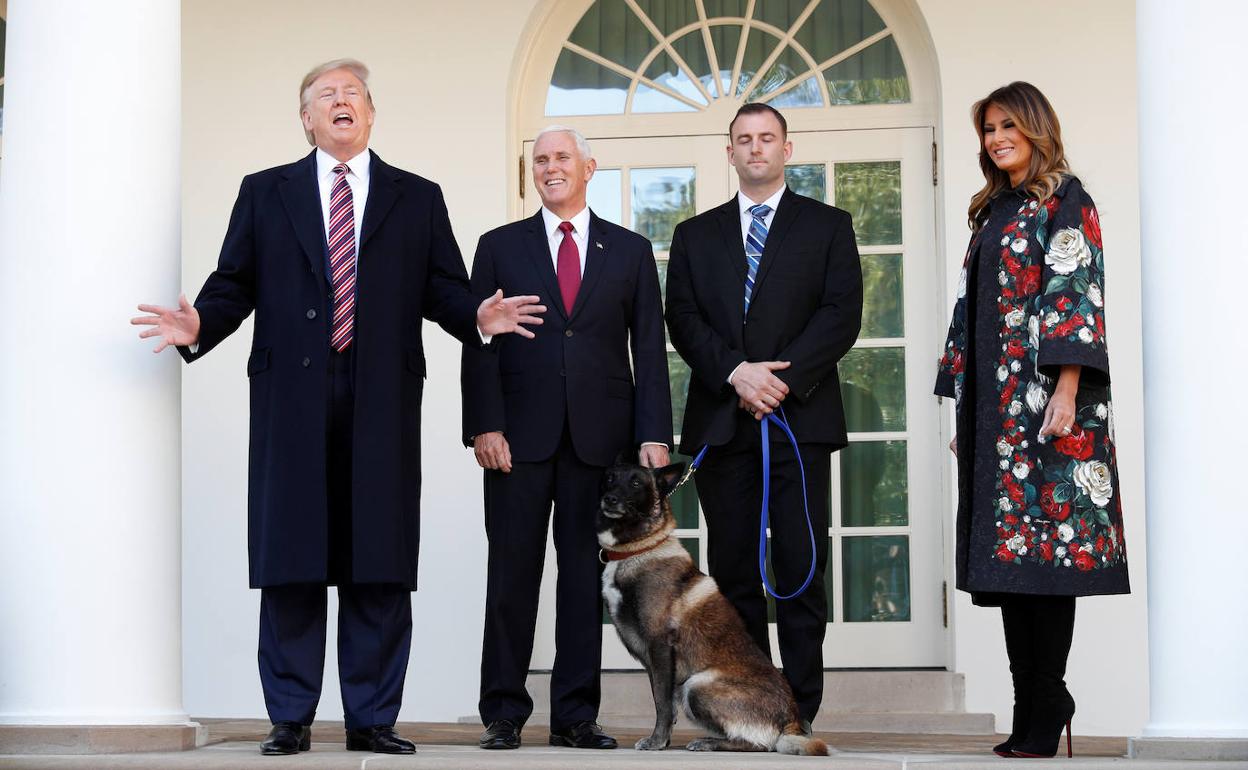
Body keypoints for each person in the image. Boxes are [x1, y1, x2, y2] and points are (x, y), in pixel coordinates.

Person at [131, 59, 544, 756]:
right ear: (307, 119)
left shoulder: (417, 197)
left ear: (371, 113)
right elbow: (233, 283)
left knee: (378, 557)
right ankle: (290, 717)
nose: (341, 101)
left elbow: (443, 288)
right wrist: (199, 324)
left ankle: (372, 719)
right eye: (326, 94)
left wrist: (477, 314)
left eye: (353, 93)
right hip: (291, 399)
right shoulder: (265, 191)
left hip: (382, 395)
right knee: (292, 556)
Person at [934, 81, 1130, 758]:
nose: (997, 139)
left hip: (1048, 408)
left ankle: (1045, 701)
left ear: (1036, 128)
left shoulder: (1065, 200)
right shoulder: (993, 210)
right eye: (989, 129)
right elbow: (971, 308)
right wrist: (965, 404)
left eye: (1008, 126)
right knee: (1010, 565)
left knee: (1047, 557)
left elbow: (1075, 293)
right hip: (996, 412)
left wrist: (1068, 391)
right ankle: (1034, 704)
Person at [461, 125, 672, 751]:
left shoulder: (630, 251)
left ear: (588, 168)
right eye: (540, 160)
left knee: (583, 582)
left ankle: (576, 716)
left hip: (600, 444)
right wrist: (484, 424)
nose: (551, 168)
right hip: (516, 441)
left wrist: (653, 435)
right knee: (511, 577)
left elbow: (649, 351)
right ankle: (503, 713)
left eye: (562, 158)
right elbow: (479, 344)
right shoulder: (499, 246)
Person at [664, 103, 862, 732]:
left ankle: (799, 711)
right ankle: (752, 708)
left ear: (786, 148)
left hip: (799, 422)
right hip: (723, 426)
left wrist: (777, 382)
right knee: (734, 576)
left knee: (801, 567)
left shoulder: (828, 226)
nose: (755, 148)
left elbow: (841, 314)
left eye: (766, 138)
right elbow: (682, 318)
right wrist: (736, 373)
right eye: (744, 139)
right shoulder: (695, 235)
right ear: (730, 153)